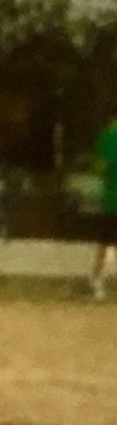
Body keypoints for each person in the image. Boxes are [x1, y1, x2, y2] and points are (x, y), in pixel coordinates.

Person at [91, 113, 117, 299]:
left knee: (105, 243)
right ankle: (97, 281)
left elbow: (99, 168)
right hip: (111, 199)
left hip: (110, 200)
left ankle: (97, 281)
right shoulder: (108, 138)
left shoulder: (106, 138)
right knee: (107, 243)